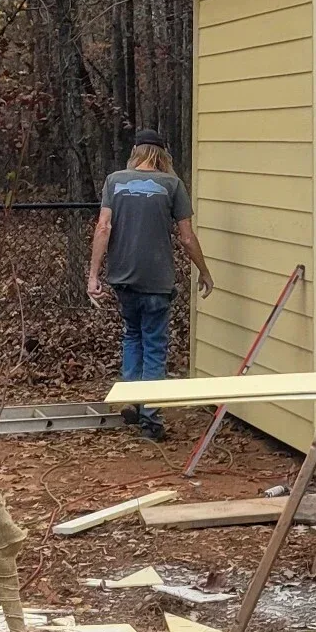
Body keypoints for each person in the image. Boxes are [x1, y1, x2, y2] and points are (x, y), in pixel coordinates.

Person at [87, 130, 213, 442]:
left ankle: (134, 399)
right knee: (155, 345)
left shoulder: (114, 181)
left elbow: (104, 227)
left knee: (132, 336)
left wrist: (93, 274)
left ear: (136, 152)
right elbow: (186, 237)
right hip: (157, 280)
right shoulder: (172, 185)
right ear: (163, 155)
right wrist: (205, 272)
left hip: (123, 278)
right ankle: (151, 419)